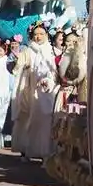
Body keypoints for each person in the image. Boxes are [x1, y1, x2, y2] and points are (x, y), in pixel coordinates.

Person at [11, 23, 58, 162]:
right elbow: (17, 69)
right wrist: (23, 66)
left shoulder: (51, 50)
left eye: (41, 34)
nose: (38, 37)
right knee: (26, 118)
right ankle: (26, 149)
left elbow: (55, 70)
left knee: (45, 119)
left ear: (46, 35)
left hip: (46, 90)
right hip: (28, 88)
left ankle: (45, 151)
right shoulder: (28, 51)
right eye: (36, 34)